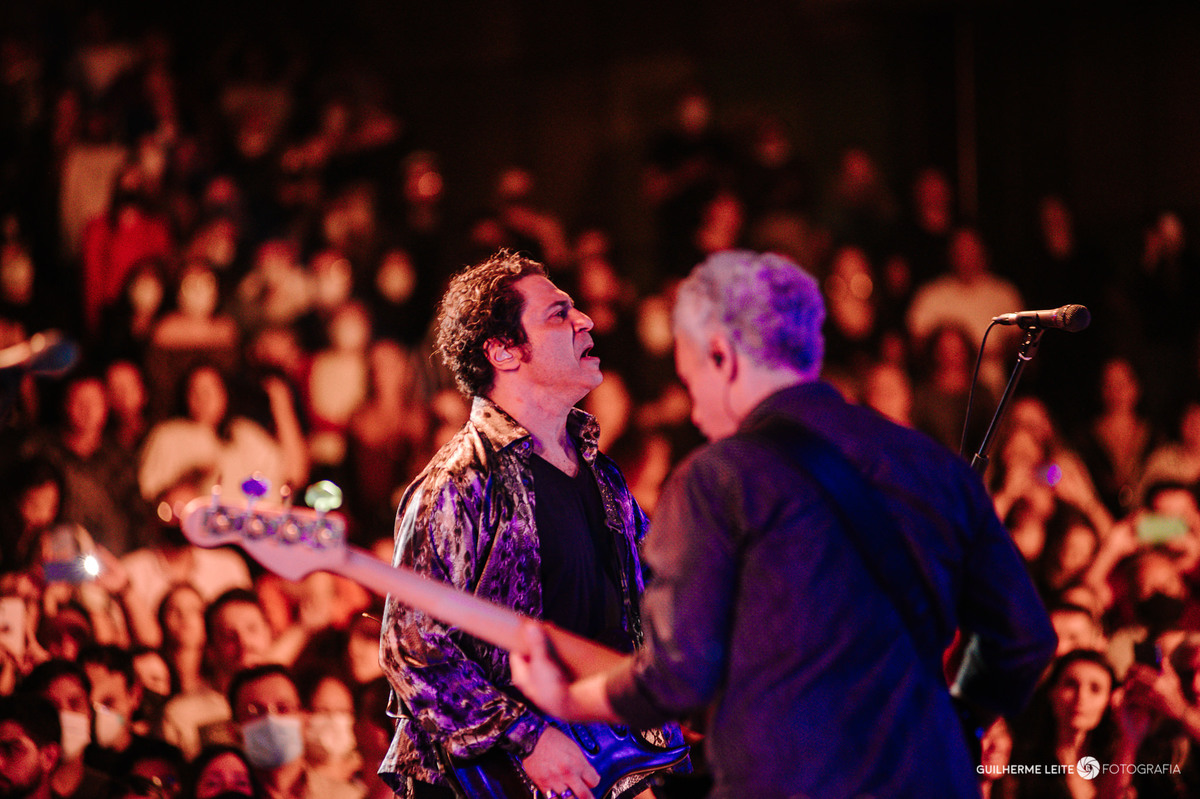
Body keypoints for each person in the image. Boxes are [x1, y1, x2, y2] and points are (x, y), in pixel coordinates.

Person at [511, 249, 1057, 798]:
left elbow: (680, 675)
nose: (694, 408)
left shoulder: (717, 481)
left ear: (722, 356)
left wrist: (570, 700)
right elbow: (1025, 638)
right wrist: (961, 719)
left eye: (690, 376)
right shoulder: (932, 465)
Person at [377, 251, 686, 799]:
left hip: (609, 758)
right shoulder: (458, 482)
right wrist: (526, 737)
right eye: (558, 314)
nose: (585, 320)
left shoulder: (601, 472)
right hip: (500, 777)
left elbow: (659, 595)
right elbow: (411, 644)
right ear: (502, 350)